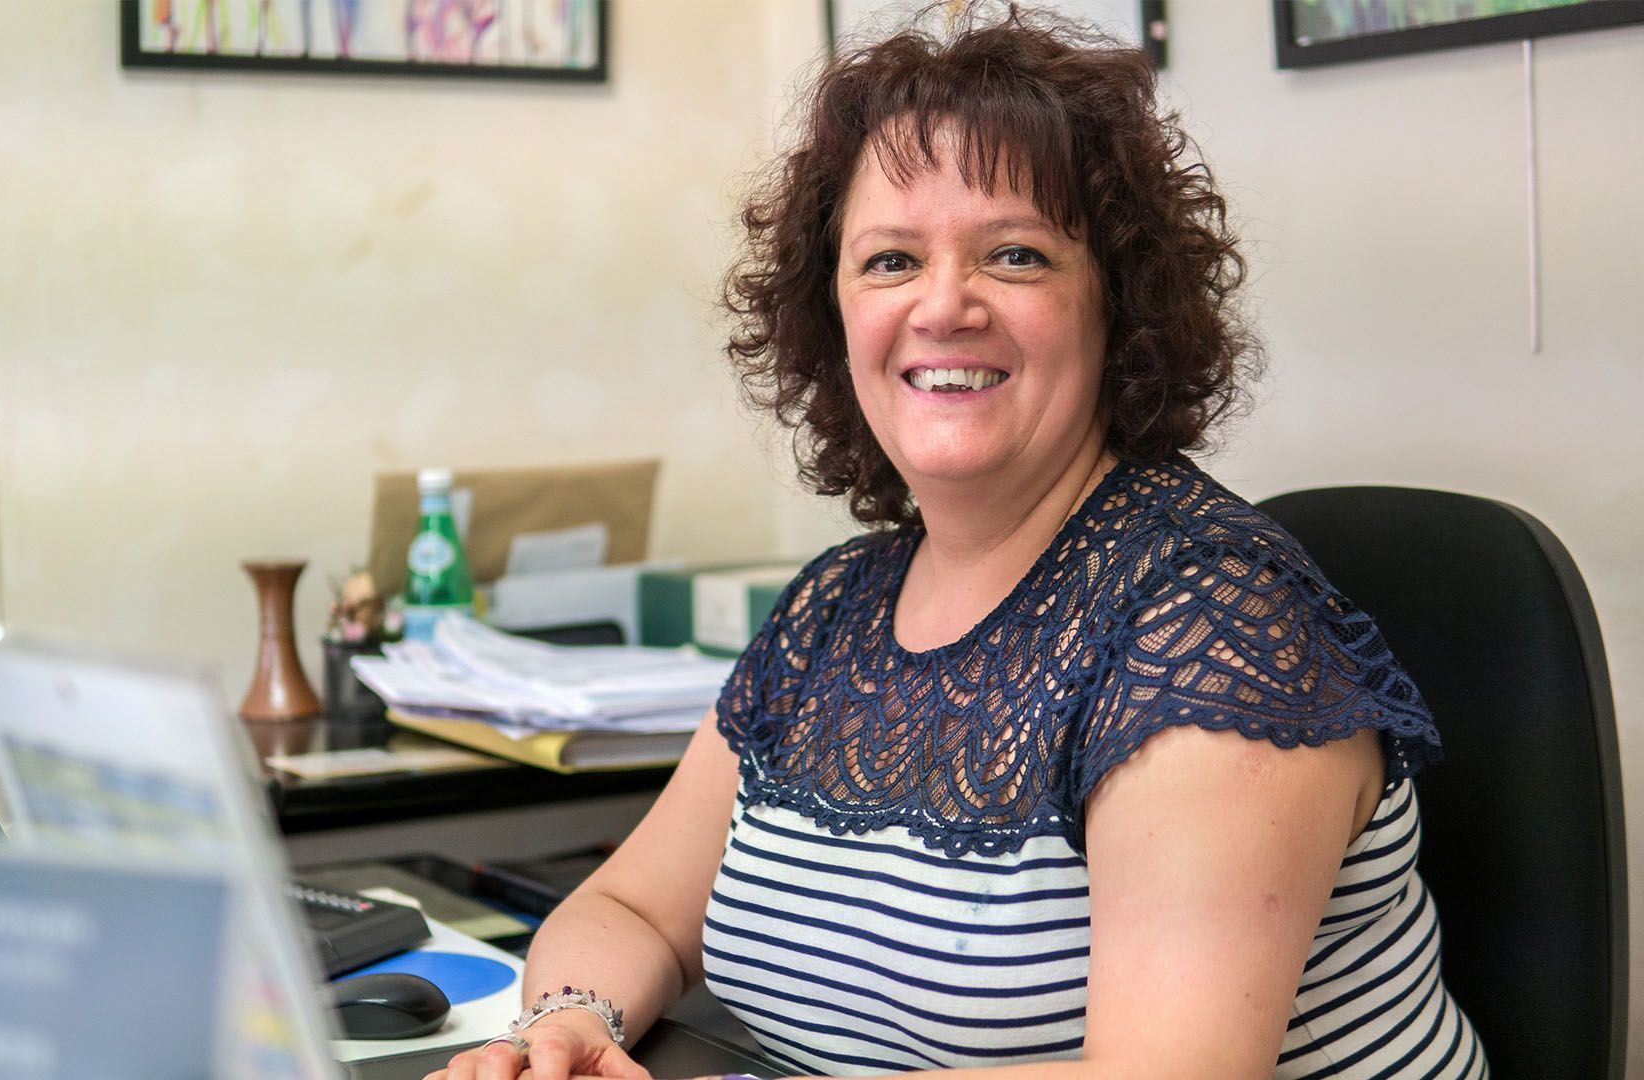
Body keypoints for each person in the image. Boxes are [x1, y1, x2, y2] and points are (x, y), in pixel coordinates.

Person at [431, 5, 1485, 1078]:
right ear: (832, 316)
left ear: (1116, 305)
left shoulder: (1212, 632)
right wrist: (567, 1022)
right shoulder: (835, 608)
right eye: (890, 260)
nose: (943, 306)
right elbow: (635, 908)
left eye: (1015, 255)